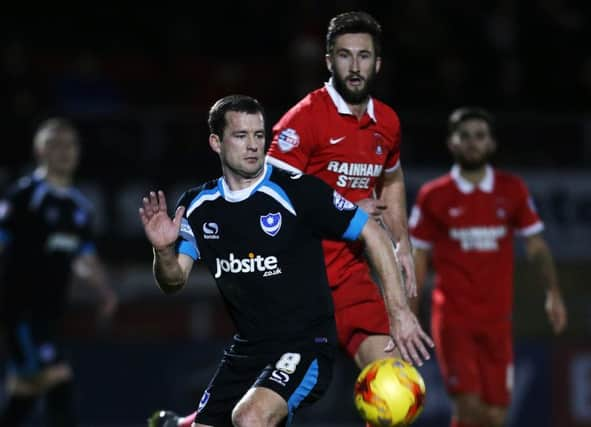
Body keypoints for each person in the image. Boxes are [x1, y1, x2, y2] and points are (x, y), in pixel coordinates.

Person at [140, 95, 432, 427]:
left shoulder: (298, 192)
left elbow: (375, 236)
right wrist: (163, 251)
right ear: (215, 142)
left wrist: (398, 313)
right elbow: (174, 281)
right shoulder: (197, 206)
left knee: (250, 418)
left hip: (306, 346)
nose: (253, 145)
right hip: (247, 350)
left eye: (259, 135)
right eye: (241, 136)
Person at [266, 11, 424, 372]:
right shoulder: (304, 119)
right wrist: (344, 209)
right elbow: (266, 199)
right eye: (344, 55)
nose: (354, 66)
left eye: (364, 56)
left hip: (350, 276)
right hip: (297, 281)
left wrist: (400, 240)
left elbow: (393, 178)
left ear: (378, 63)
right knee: (262, 411)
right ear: (328, 61)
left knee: (394, 380)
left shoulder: (387, 122)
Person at [409, 106, 568, 427]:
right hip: (454, 318)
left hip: (497, 321)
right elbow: (418, 256)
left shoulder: (512, 190)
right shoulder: (433, 196)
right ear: (451, 143)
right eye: (464, 136)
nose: (472, 142)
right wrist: (408, 313)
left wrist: (553, 293)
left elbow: (536, 245)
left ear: (492, 144)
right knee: (468, 408)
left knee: (495, 416)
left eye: (479, 136)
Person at [0, 118, 118, 426]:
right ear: (39, 150)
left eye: (71, 144)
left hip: (49, 314)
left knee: (24, 393)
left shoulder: (79, 208)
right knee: (59, 380)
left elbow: (83, 257)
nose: (64, 151)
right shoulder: (24, 196)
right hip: (20, 314)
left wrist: (104, 292)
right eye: (55, 143)